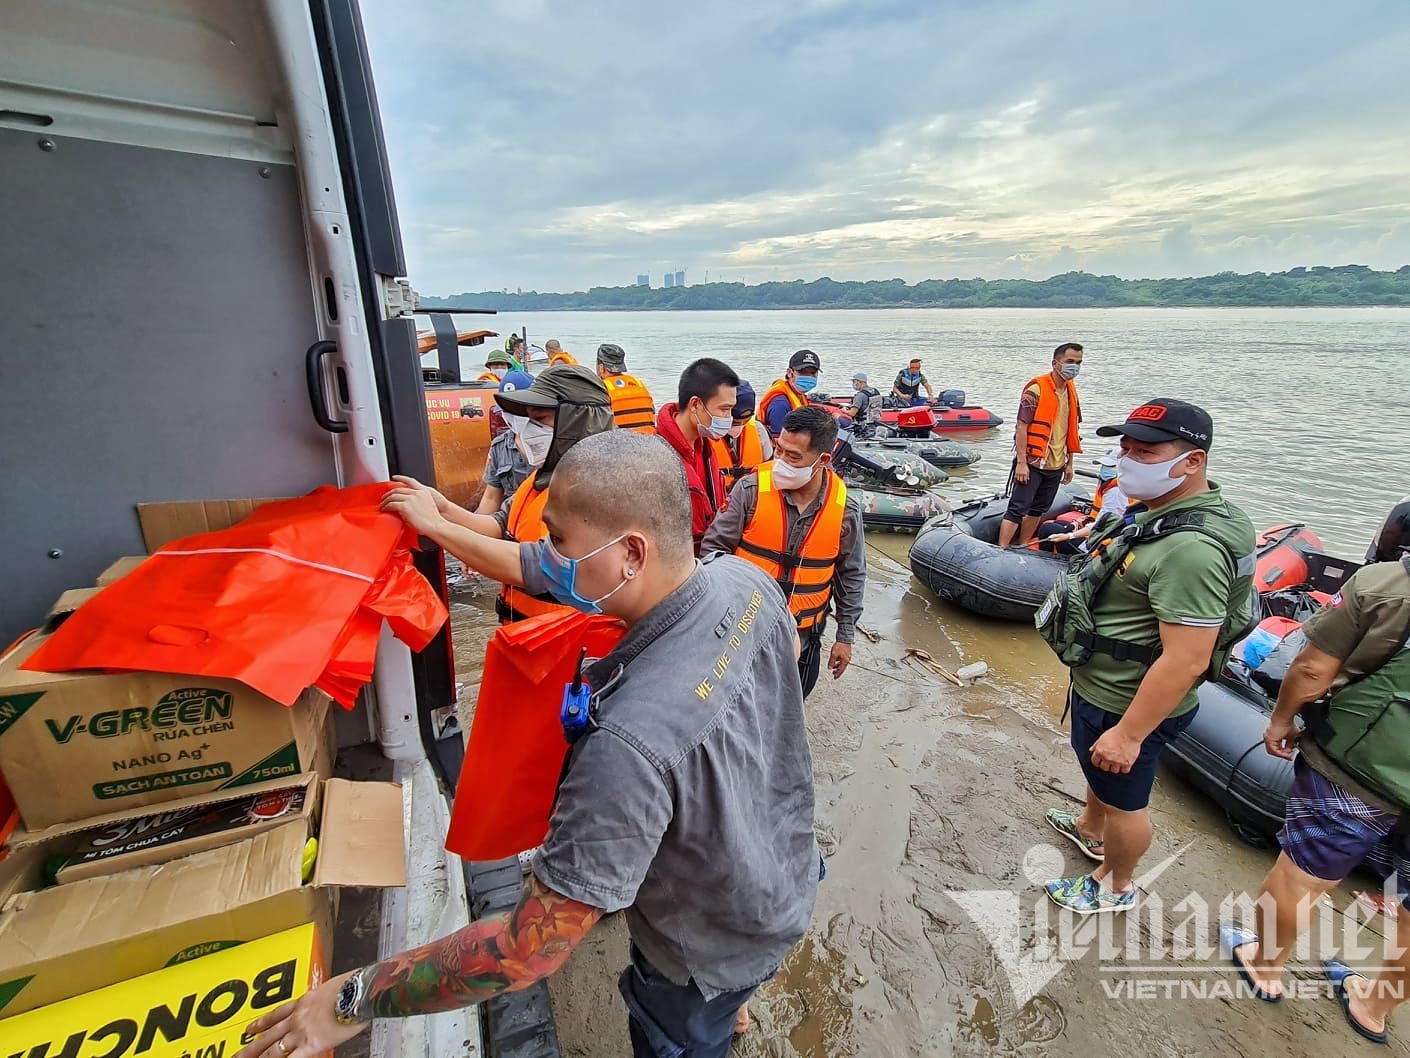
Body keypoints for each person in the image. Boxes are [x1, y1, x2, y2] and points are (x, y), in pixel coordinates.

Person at [237, 432, 819, 1058]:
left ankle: (719, 1001)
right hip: (789, 875)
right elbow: (779, 669)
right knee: (731, 988)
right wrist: (444, 519)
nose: (550, 556)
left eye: (561, 540)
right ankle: (734, 995)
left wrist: (355, 996)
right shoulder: (747, 584)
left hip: (703, 952)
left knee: (678, 1034)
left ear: (630, 552)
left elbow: (529, 948)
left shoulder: (628, 744)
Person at [1036, 399, 1255, 913]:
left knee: (1125, 802)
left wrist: (1130, 734)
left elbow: (1187, 658)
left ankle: (1115, 884)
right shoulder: (1163, 515)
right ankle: (1091, 828)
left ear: (1192, 461)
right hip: (1103, 683)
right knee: (1100, 780)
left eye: (1147, 451)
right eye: (1126, 447)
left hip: (1127, 701)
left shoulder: (1191, 550)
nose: (1128, 459)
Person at [1220, 555, 1410, 1041]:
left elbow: (1311, 669)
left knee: (1301, 879)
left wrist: (1281, 719)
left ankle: (1265, 964)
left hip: (1362, 772)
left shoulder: (1387, 585)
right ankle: (1373, 1009)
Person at [395, 365, 615, 623]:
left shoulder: (600, 488)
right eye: (528, 420)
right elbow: (498, 525)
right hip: (525, 637)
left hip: (572, 648)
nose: (528, 430)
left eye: (540, 419)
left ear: (576, 420)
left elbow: (534, 566)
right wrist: (444, 509)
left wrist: (434, 525)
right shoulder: (540, 479)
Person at [702, 406, 864, 699]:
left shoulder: (846, 511)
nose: (781, 462)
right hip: (742, 633)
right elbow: (714, 550)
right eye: (779, 450)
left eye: (793, 457)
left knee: (791, 708)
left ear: (823, 460)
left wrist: (845, 637)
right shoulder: (750, 490)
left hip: (805, 634)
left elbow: (850, 574)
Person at [997, 342, 1085, 549]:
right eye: (1070, 362)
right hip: (1034, 461)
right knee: (1018, 507)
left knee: (1038, 508)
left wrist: (1070, 463)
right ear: (1056, 363)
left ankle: (1024, 543)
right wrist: (1021, 462)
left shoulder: (1071, 391)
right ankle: (1000, 548)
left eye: (1079, 362)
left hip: (1057, 463)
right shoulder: (1036, 389)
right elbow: (1021, 426)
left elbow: (1072, 431)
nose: (1075, 367)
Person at [655, 358, 738, 554]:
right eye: (724, 409)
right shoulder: (656, 457)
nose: (728, 418)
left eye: (731, 410)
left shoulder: (706, 448)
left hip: (709, 558)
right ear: (695, 405)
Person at [1036, 447, 1129, 555]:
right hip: (1096, 536)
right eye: (1103, 466)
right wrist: (1079, 524)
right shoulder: (1116, 488)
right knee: (1057, 524)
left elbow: (1104, 526)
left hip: (1096, 545)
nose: (1104, 469)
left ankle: (1046, 562)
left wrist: (1069, 535)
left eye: (1109, 467)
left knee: (1047, 529)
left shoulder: (1116, 492)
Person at [474, 370, 537, 515]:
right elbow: (491, 500)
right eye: (508, 409)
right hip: (513, 523)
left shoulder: (554, 441)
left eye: (519, 408)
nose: (514, 415)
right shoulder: (500, 447)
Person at [713, 380, 773, 486]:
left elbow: (767, 469)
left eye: (746, 421)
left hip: (750, 494)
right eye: (735, 422)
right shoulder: (706, 434)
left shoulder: (758, 430)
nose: (740, 425)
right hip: (719, 496)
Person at [596, 342, 657, 434]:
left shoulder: (601, 387)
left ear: (601, 368)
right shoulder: (638, 383)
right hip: (651, 441)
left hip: (623, 444)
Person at [760, 350, 821, 438]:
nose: (809, 377)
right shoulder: (780, 404)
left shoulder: (799, 395)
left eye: (813, 373)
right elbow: (780, 440)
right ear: (790, 373)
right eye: (803, 372)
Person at [1368, 495, 1410, 563]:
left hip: (1379, 557)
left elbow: (1390, 532)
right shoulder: (1405, 505)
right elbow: (1391, 533)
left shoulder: (1404, 504)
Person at [848, 372, 884, 438]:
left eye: (854, 381)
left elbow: (852, 413)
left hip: (863, 426)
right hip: (876, 423)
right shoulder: (876, 391)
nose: (853, 384)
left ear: (860, 382)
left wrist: (843, 410)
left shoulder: (860, 395)